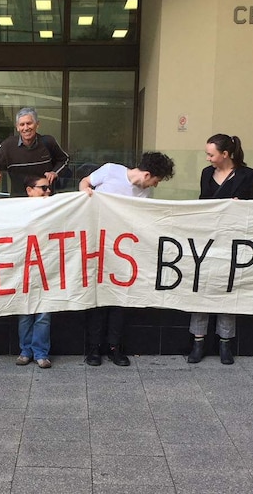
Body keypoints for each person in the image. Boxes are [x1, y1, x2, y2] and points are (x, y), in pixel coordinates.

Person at [79, 151, 175, 366]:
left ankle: (114, 347)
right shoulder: (111, 170)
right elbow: (85, 182)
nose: (155, 186)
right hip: (99, 245)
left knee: (119, 301)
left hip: (123, 250)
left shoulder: (145, 193)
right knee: (97, 300)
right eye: (156, 180)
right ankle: (93, 348)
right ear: (147, 174)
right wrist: (85, 191)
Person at [188, 133, 253, 365]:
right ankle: (198, 341)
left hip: (233, 240)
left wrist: (242, 207)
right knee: (202, 287)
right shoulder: (207, 174)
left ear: (225, 154)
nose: (208, 158)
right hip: (208, 239)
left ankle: (225, 342)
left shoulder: (248, 175)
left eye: (211, 154)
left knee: (228, 288)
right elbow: (203, 202)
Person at [0, 107, 69, 197]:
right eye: (22, 124)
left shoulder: (48, 142)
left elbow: (64, 160)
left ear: (37, 124)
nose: (26, 128)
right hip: (19, 202)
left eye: (29, 123)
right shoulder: (9, 145)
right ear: (17, 127)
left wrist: (54, 172)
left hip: (45, 200)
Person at [15, 175, 55, 369]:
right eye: (43, 188)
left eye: (49, 188)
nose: (48, 191)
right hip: (23, 268)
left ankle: (40, 353)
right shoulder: (17, 210)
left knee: (43, 314)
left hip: (47, 267)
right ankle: (26, 351)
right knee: (25, 313)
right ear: (29, 190)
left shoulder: (55, 208)